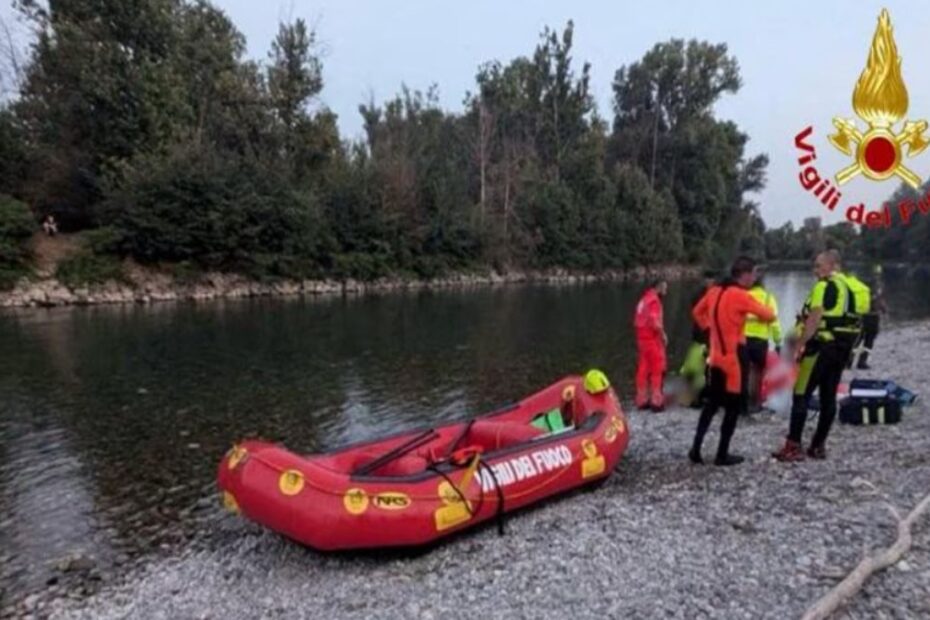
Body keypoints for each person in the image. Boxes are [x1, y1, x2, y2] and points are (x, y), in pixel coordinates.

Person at [772, 251, 859, 462]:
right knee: (828, 396)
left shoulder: (822, 286)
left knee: (801, 395)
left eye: (819, 266)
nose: (815, 270)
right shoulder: (848, 288)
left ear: (832, 266)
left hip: (820, 348)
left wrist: (798, 345)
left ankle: (793, 447)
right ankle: (818, 446)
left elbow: (815, 318)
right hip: (841, 349)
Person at [689, 257, 776, 466]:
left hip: (716, 356)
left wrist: (710, 329)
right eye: (753, 273)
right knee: (733, 407)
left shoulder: (714, 291)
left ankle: (696, 448)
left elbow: (696, 312)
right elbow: (769, 315)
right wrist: (751, 315)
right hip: (734, 358)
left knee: (711, 404)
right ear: (744, 275)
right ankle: (722, 454)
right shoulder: (740, 296)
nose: (755, 277)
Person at [742, 272, 782, 413]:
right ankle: (755, 402)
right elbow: (775, 322)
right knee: (757, 371)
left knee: (743, 371)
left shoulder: (743, 296)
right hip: (760, 340)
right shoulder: (768, 298)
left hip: (743, 339)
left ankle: (741, 401)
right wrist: (778, 341)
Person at [679, 270, 717, 407]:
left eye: (711, 280)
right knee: (700, 366)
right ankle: (697, 397)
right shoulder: (703, 295)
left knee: (700, 366)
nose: (710, 282)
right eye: (708, 280)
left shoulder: (705, 294)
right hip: (703, 335)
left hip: (705, 334)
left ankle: (698, 395)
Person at [634, 279, 668, 412]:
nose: (666, 291)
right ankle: (656, 402)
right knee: (657, 369)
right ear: (659, 287)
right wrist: (663, 334)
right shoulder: (654, 301)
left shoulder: (644, 299)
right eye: (665, 288)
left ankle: (641, 400)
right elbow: (654, 321)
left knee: (643, 368)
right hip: (651, 339)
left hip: (641, 339)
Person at [853, 275, 888, 370]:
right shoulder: (876, 293)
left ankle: (850, 361)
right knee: (868, 341)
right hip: (872, 317)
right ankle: (862, 362)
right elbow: (881, 304)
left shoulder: (861, 292)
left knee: (858, 340)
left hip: (864, 317)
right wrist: (885, 311)